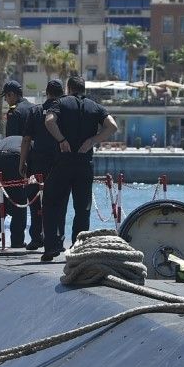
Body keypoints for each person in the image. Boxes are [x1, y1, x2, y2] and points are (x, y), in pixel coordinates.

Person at [40, 75, 118, 263]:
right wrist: (92, 141)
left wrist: (62, 140)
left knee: (52, 204)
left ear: (68, 88)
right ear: (84, 88)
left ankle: (51, 247)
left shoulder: (60, 103)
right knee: (82, 208)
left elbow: (49, 121)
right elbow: (112, 126)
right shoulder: (95, 106)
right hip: (84, 162)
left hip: (63, 162)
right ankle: (79, 248)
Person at [17, 79, 62, 251]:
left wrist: (22, 162)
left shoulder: (35, 111)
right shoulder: (62, 111)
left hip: (36, 162)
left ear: (47, 92)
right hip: (58, 162)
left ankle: (36, 238)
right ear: (61, 93)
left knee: (34, 200)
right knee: (58, 200)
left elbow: (27, 139)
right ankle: (57, 239)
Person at [0, 80, 35, 247]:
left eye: (6, 97)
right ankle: (21, 240)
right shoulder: (33, 108)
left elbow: (11, 140)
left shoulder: (14, 112)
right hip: (32, 157)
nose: (6, 100)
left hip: (16, 158)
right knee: (25, 198)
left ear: (12, 95)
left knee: (8, 197)